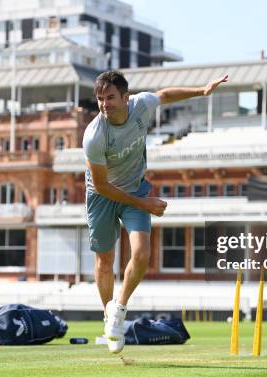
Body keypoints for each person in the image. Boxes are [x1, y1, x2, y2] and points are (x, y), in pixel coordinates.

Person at [83, 70, 228, 354]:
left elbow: (164, 95)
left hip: (134, 189)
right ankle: (108, 314)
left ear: (126, 97)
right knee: (105, 260)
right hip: (102, 195)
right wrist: (146, 204)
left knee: (141, 252)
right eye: (100, 99)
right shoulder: (94, 135)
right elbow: (101, 185)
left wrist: (202, 90)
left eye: (110, 97)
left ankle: (119, 310)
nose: (104, 104)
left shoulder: (141, 105)